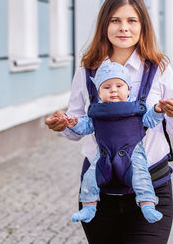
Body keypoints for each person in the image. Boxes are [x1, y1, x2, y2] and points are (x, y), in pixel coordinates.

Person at [45, 0, 173, 244]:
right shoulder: (87, 69)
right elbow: (76, 126)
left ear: (142, 25)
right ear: (105, 25)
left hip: (151, 189)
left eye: (132, 20)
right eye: (115, 20)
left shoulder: (159, 69)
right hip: (99, 194)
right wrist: (63, 124)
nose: (124, 28)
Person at [58, 61, 165, 224]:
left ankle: (148, 204)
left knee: (141, 177)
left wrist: (157, 110)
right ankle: (88, 207)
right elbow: (86, 126)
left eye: (119, 86)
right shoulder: (96, 112)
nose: (113, 90)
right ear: (99, 93)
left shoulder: (136, 108)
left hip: (132, 154)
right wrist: (73, 123)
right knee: (89, 179)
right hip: (103, 155)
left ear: (129, 89)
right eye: (106, 87)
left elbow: (150, 120)